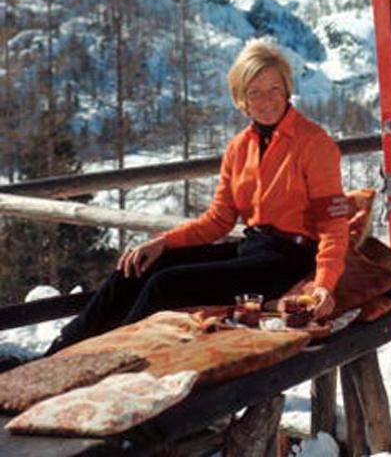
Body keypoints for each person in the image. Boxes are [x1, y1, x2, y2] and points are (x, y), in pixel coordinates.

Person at [47, 40, 350, 353]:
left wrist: (324, 284)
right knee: (138, 266)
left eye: (274, 88)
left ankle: (110, 358)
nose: (266, 100)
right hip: (251, 249)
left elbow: (333, 225)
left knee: (166, 284)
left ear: (287, 89)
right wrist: (162, 243)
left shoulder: (314, 143)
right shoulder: (239, 147)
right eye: (254, 91)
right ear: (241, 98)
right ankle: (60, 350)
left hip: (287, 260)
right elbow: (218, 220)